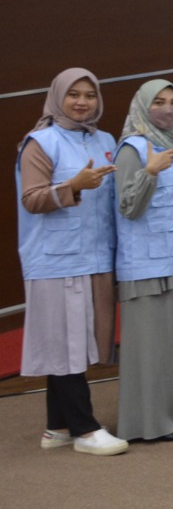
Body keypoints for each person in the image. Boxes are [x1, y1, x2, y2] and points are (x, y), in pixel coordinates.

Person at [18, 68, 126, 455]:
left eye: (90, 95)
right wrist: (72, 187)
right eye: (74, 94)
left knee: (73, 343)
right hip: (56, 261)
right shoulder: (40, 142)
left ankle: (57, 426)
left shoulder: (106, 140)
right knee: (66, 344)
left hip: (95, 256)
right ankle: (85, 429)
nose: (82, 102)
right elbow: (31, 199)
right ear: (58, 97)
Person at [113, 80, 173, 442]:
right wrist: (150, 172)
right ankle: (149, 424)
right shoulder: (131, 149)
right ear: (142, 107)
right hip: (146, 266)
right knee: (150, 349)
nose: (168, 109)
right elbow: (127, 207)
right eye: (159, 102)